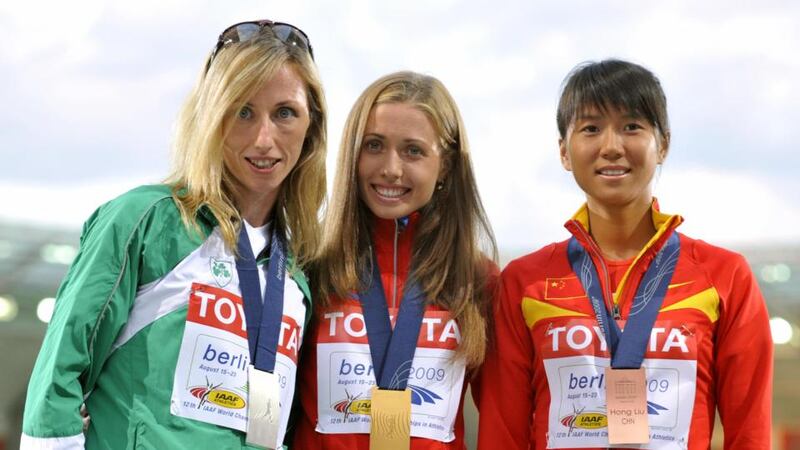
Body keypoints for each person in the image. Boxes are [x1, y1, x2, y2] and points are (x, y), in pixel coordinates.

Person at [21, 19, 326, 449]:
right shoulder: (143, 221)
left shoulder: (296, 274)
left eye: (285, 113)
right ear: (211, 116)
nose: (264, 139)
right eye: (242, 111)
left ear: (312, 125)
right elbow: (58, 374)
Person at [478, 59, 773, 449]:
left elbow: (749, 433)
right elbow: (503, 434)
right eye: (591, 128)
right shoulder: (524, 281)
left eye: (632, 126)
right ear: (565, 151)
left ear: (662, 144)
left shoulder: (724, 276)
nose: (612, 146)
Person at [292, 71, 497, 449]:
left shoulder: (477, 278)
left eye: (413, 151)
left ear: (446, 166)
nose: (390, 168)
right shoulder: (310, 265)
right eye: (374, 145)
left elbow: (503, 421)